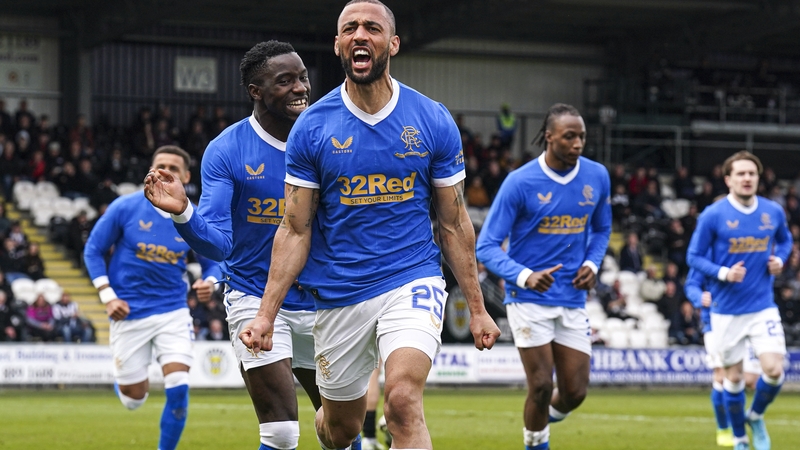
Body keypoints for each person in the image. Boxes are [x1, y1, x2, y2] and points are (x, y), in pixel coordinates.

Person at [240, 2, 501, 449]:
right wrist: (266, 315)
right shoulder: (311, 129)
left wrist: (477, 308)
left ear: (393, 44)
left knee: (401, 400)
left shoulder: (431, 119)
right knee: (339, 430)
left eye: (372, 28)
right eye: (350, 28)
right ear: (338, 44)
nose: (360, 34)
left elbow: (454, 222)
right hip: (340, 293)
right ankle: (333, 424)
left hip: (411, 279)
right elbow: (295, 228)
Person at [144, 41, 321, 450]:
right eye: (286, 80)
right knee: (281, 432)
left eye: (303, 77)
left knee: (341, 428)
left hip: (322, 299)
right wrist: (183, 211)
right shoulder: (227, 149)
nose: (300, 88)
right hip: (254, 298)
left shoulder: (325, 140)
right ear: (255, 91)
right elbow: (220, 245)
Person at [476, 103, 612, 450]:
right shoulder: (519, 182)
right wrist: (525, 276)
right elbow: (487, 246)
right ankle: (536, 443)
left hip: (572, 298)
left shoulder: (597, 176)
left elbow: (602, 228)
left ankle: (538, 419)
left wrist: (593, 265)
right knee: (539, 386)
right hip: (528, 299)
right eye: (570, 136)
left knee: (575, 393)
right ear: (549, 137)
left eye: (581, 136)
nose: (578, 143)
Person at [84, 145, 219, 450]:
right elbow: (92, 250)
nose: (164, 171)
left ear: (184, 176)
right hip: (128, 312)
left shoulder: (191, 216)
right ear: (150, 169)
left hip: (173, 311)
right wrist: (108, 296)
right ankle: (129, 384)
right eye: (159, 165)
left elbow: (215, 260)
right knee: (134, 399)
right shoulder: (125, 207)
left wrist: (210, 281)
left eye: (173, 167)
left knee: (178, 387)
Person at [686, 151, 792, 450]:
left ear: (759, 178)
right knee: (732, 379)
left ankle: (755, 416)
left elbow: (784, 241)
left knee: (773, 370)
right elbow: (692, 257)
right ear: (728, 179)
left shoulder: (773, 211)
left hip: (762, 307)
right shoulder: (713, 215)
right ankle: (740, 439)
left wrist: (780, 261)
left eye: (752, 174)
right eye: (741, 174)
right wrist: (722, 273)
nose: (747, 178)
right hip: (725, 312)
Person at [686, 266, 763, 447]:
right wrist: (699, 297)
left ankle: (749, 417)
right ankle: (723, 428)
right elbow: (692, 284)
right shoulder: (709, 253)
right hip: (715, 323)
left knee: (751, 379)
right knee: (721, 376)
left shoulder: (747, 249)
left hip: (746, 320)